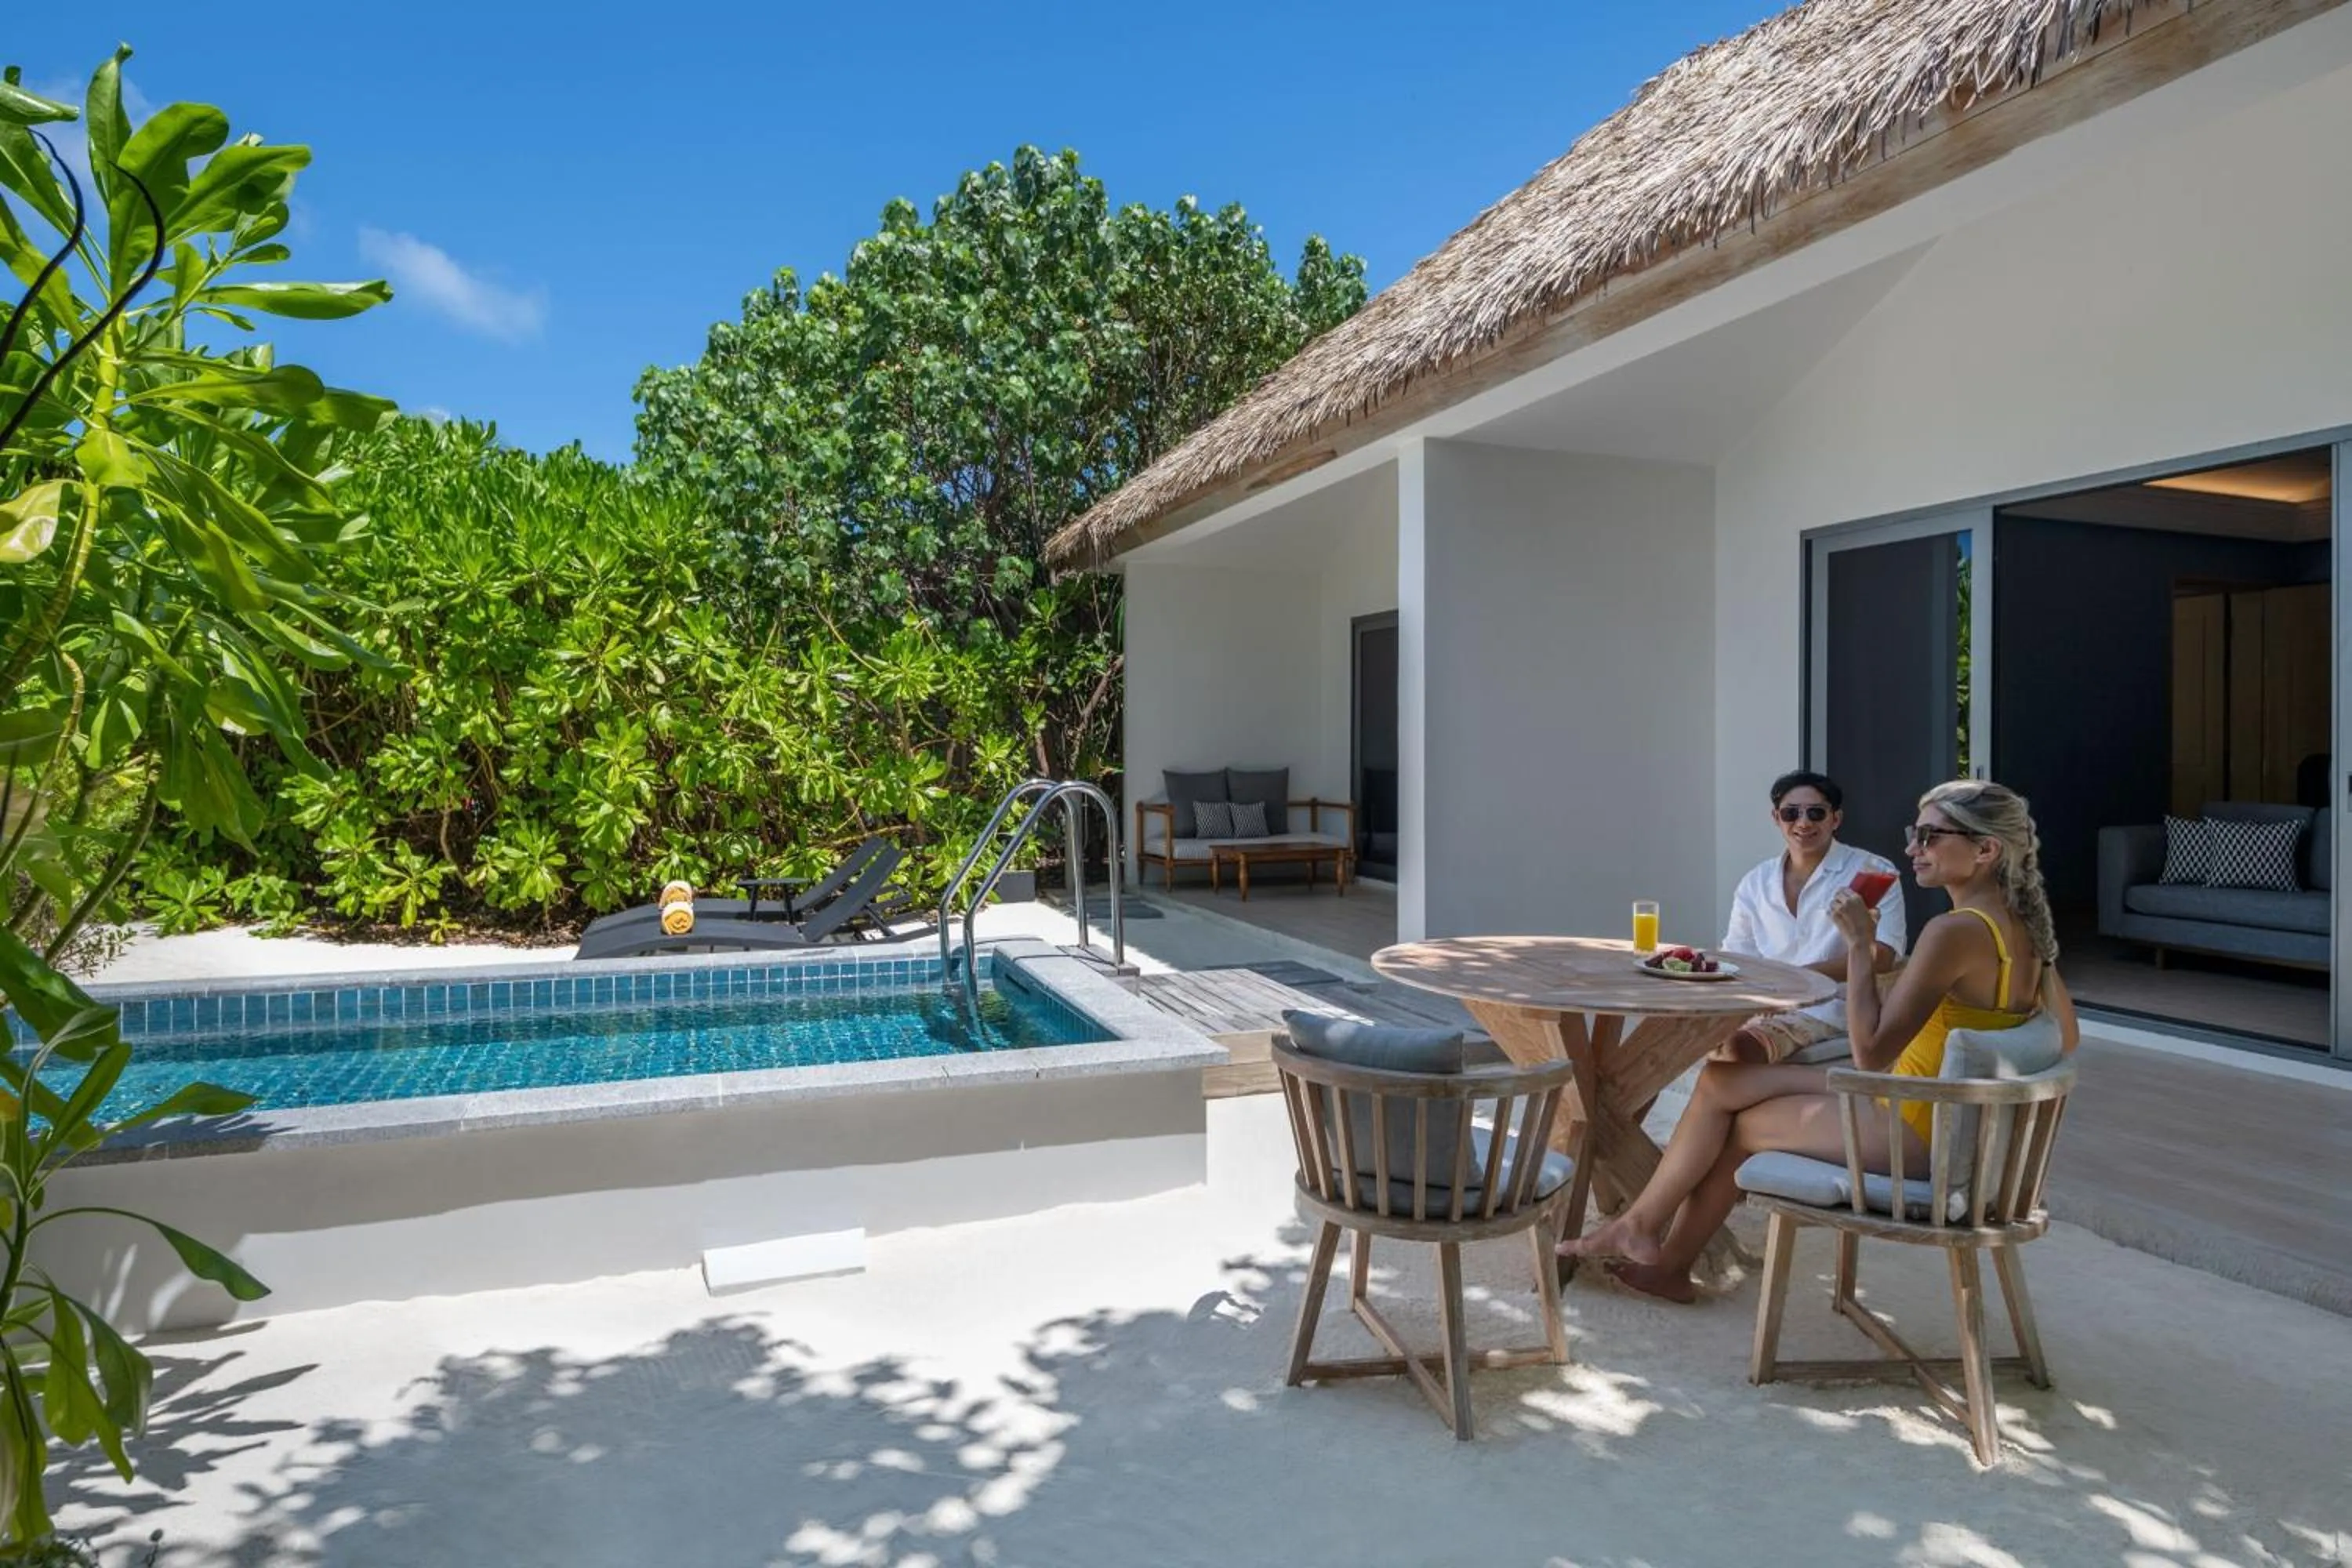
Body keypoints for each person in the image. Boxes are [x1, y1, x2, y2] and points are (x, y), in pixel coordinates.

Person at [1561, 779, 2078, 1303]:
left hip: (1916, 1127)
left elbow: (1869, 1054)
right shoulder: (2024, 931)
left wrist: (1859, 945)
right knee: (1722, 1080)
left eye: (1929, 835)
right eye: (1913, 833)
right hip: (1940, 1110)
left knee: (1741, 1127)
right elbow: (2064, 1036)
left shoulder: (1954, 932)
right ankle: (1645, 1232)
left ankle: (1660, 1254)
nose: (1911, 848)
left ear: (1985, 850)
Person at [1718, 771, 1905, 1065]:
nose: (1803, 823)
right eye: (1791, 813)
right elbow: (1738, 958)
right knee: (1668, 1043)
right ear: (1776, 817)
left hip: (1832, 1009)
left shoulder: (1872, 872)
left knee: (1737, 1049)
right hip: (1764, 1005)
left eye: (1816, 813)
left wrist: (1797, 980)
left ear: (1836, 819)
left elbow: (1883, 956)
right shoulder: (1755, 882)